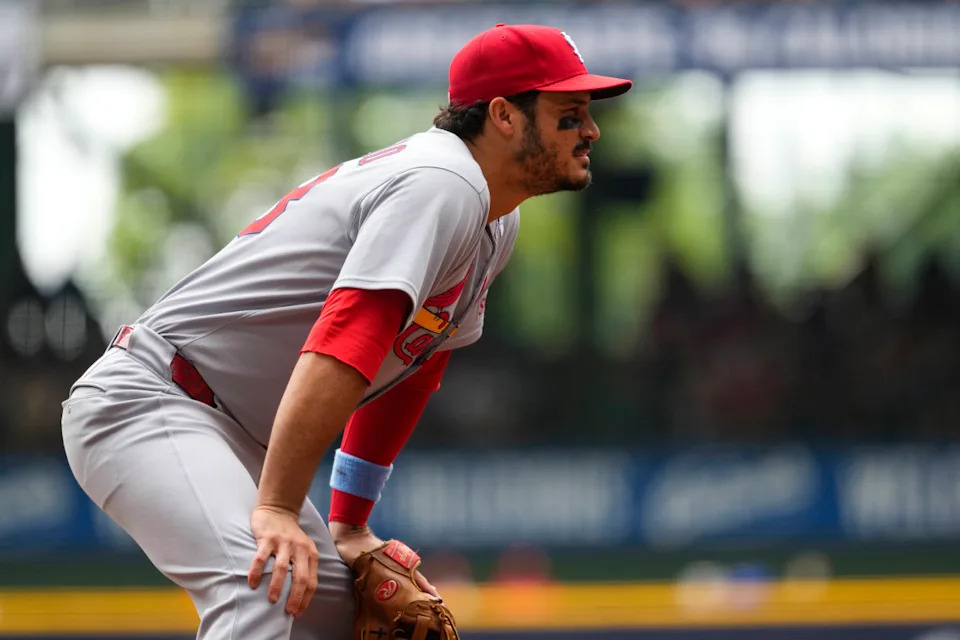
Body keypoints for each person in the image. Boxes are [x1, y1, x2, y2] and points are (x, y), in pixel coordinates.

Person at [61, 23, 631, 639]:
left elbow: (416, 366)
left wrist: (349, 524)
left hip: (230, 429)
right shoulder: (445, 181)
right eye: (569, 114)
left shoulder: (495, 219)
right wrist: (278, 507)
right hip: (152, 399)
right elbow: (348, 336)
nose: (591, 130)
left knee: (331, 612)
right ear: (504, 116)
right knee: (264, 586)